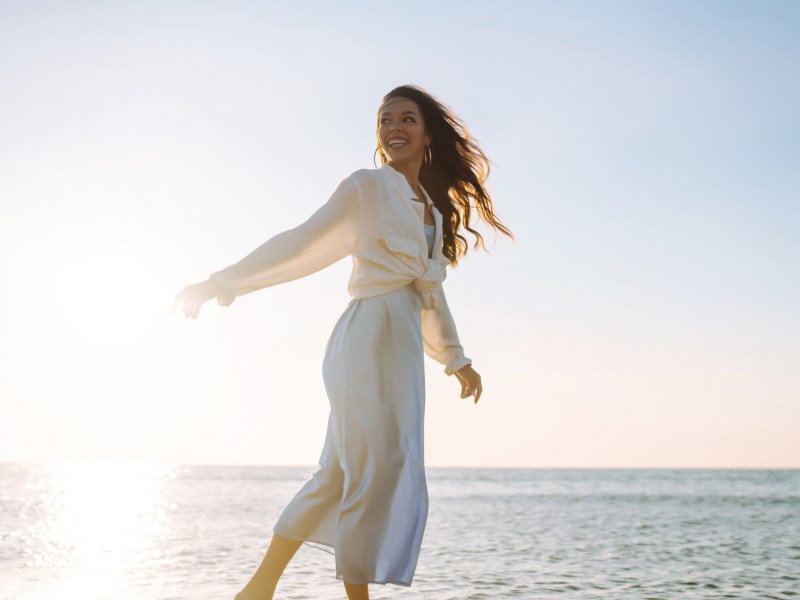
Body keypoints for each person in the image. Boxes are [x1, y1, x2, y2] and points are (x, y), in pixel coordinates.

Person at [173, 84, 514, 600]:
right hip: (364, 342)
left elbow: (429, 297)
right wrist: (224, 281)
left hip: (401, 355)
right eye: (385, 120)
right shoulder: (367, 188)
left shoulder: (431, 212)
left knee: (356, 471)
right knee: (363, 470)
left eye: (406, 119)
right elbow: (303, 240)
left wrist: (456, 361)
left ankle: (256, 591)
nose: (394, 128)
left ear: (427, 135)